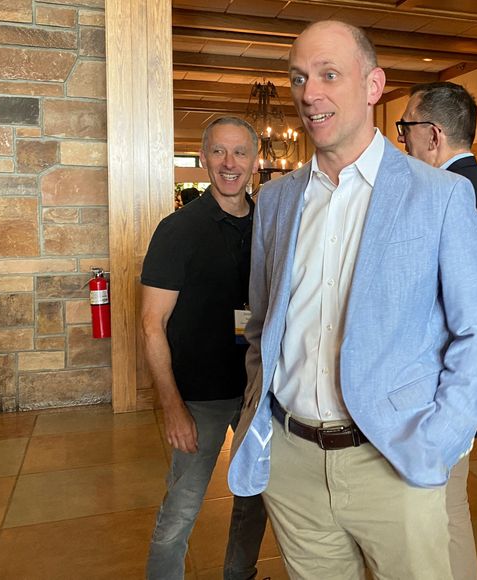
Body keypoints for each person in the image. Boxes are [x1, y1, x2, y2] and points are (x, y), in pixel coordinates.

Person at [227, 20, 477, 580]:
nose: (310, 94)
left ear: (374, 85)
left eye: (330, 74)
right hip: (295, 466)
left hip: (393, 462)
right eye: (300, 77)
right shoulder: (278, 200)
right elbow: (264, 325)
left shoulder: (441, 195)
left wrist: (438, 442)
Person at [397, 81, 477, 580]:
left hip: (449, 382)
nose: (402, 139)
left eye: (406, 127)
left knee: (440, 512)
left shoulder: (452, 193)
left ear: (433, 134)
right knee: (449, 508)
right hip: (462, 378)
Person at [141, 116, 267, 580]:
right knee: (181, 510)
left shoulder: (271, 226)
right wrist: (172, 407)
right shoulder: (178, 230)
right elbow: (151, 325)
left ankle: (240, 575)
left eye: (240, 153)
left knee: (256, 497)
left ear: (256, 161)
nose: (229, 163)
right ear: (203, 159)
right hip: (200, 399)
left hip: (258, 391)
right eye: (219, 152)